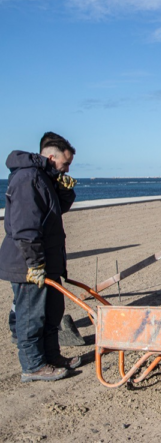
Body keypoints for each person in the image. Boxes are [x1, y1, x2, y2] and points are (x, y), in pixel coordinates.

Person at [0, 133, 82, 382]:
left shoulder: (46, 177)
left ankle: (52, 356)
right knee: (31, 315)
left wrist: (65, 191)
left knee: (51, 312)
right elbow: (26, 228)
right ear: (50, 157)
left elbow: (55, 210)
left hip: (49, 262)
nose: (66, 169)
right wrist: (35, 264)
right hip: (30, 264)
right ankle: (33, 366)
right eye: (64, 164)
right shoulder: (28, 179)